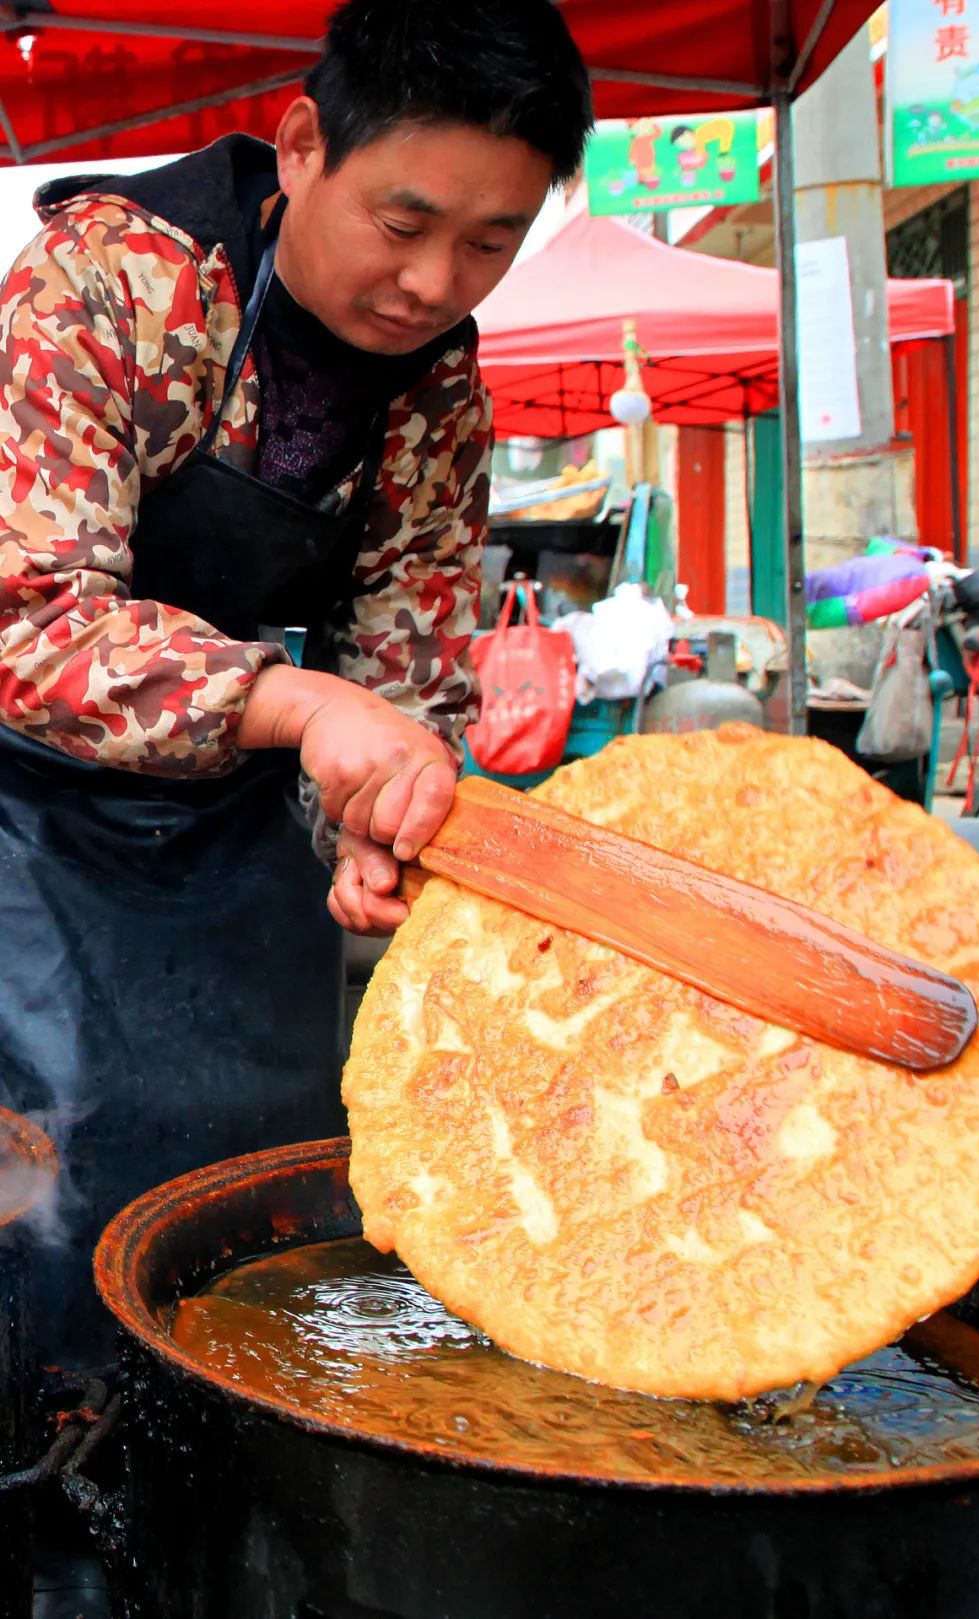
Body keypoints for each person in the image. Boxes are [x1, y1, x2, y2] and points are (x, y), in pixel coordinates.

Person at [0, 0, 593, 1363]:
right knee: (46, 1216)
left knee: (260, 1204)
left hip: (234, 833)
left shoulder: (440, 393)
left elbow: (408, 671)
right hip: (25, 820)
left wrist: (380, 823)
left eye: (490, 242)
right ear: (304, 143)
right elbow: (26, 622)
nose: (434, 283)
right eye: (405, 222)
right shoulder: (106, 280)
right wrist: (307, 705)